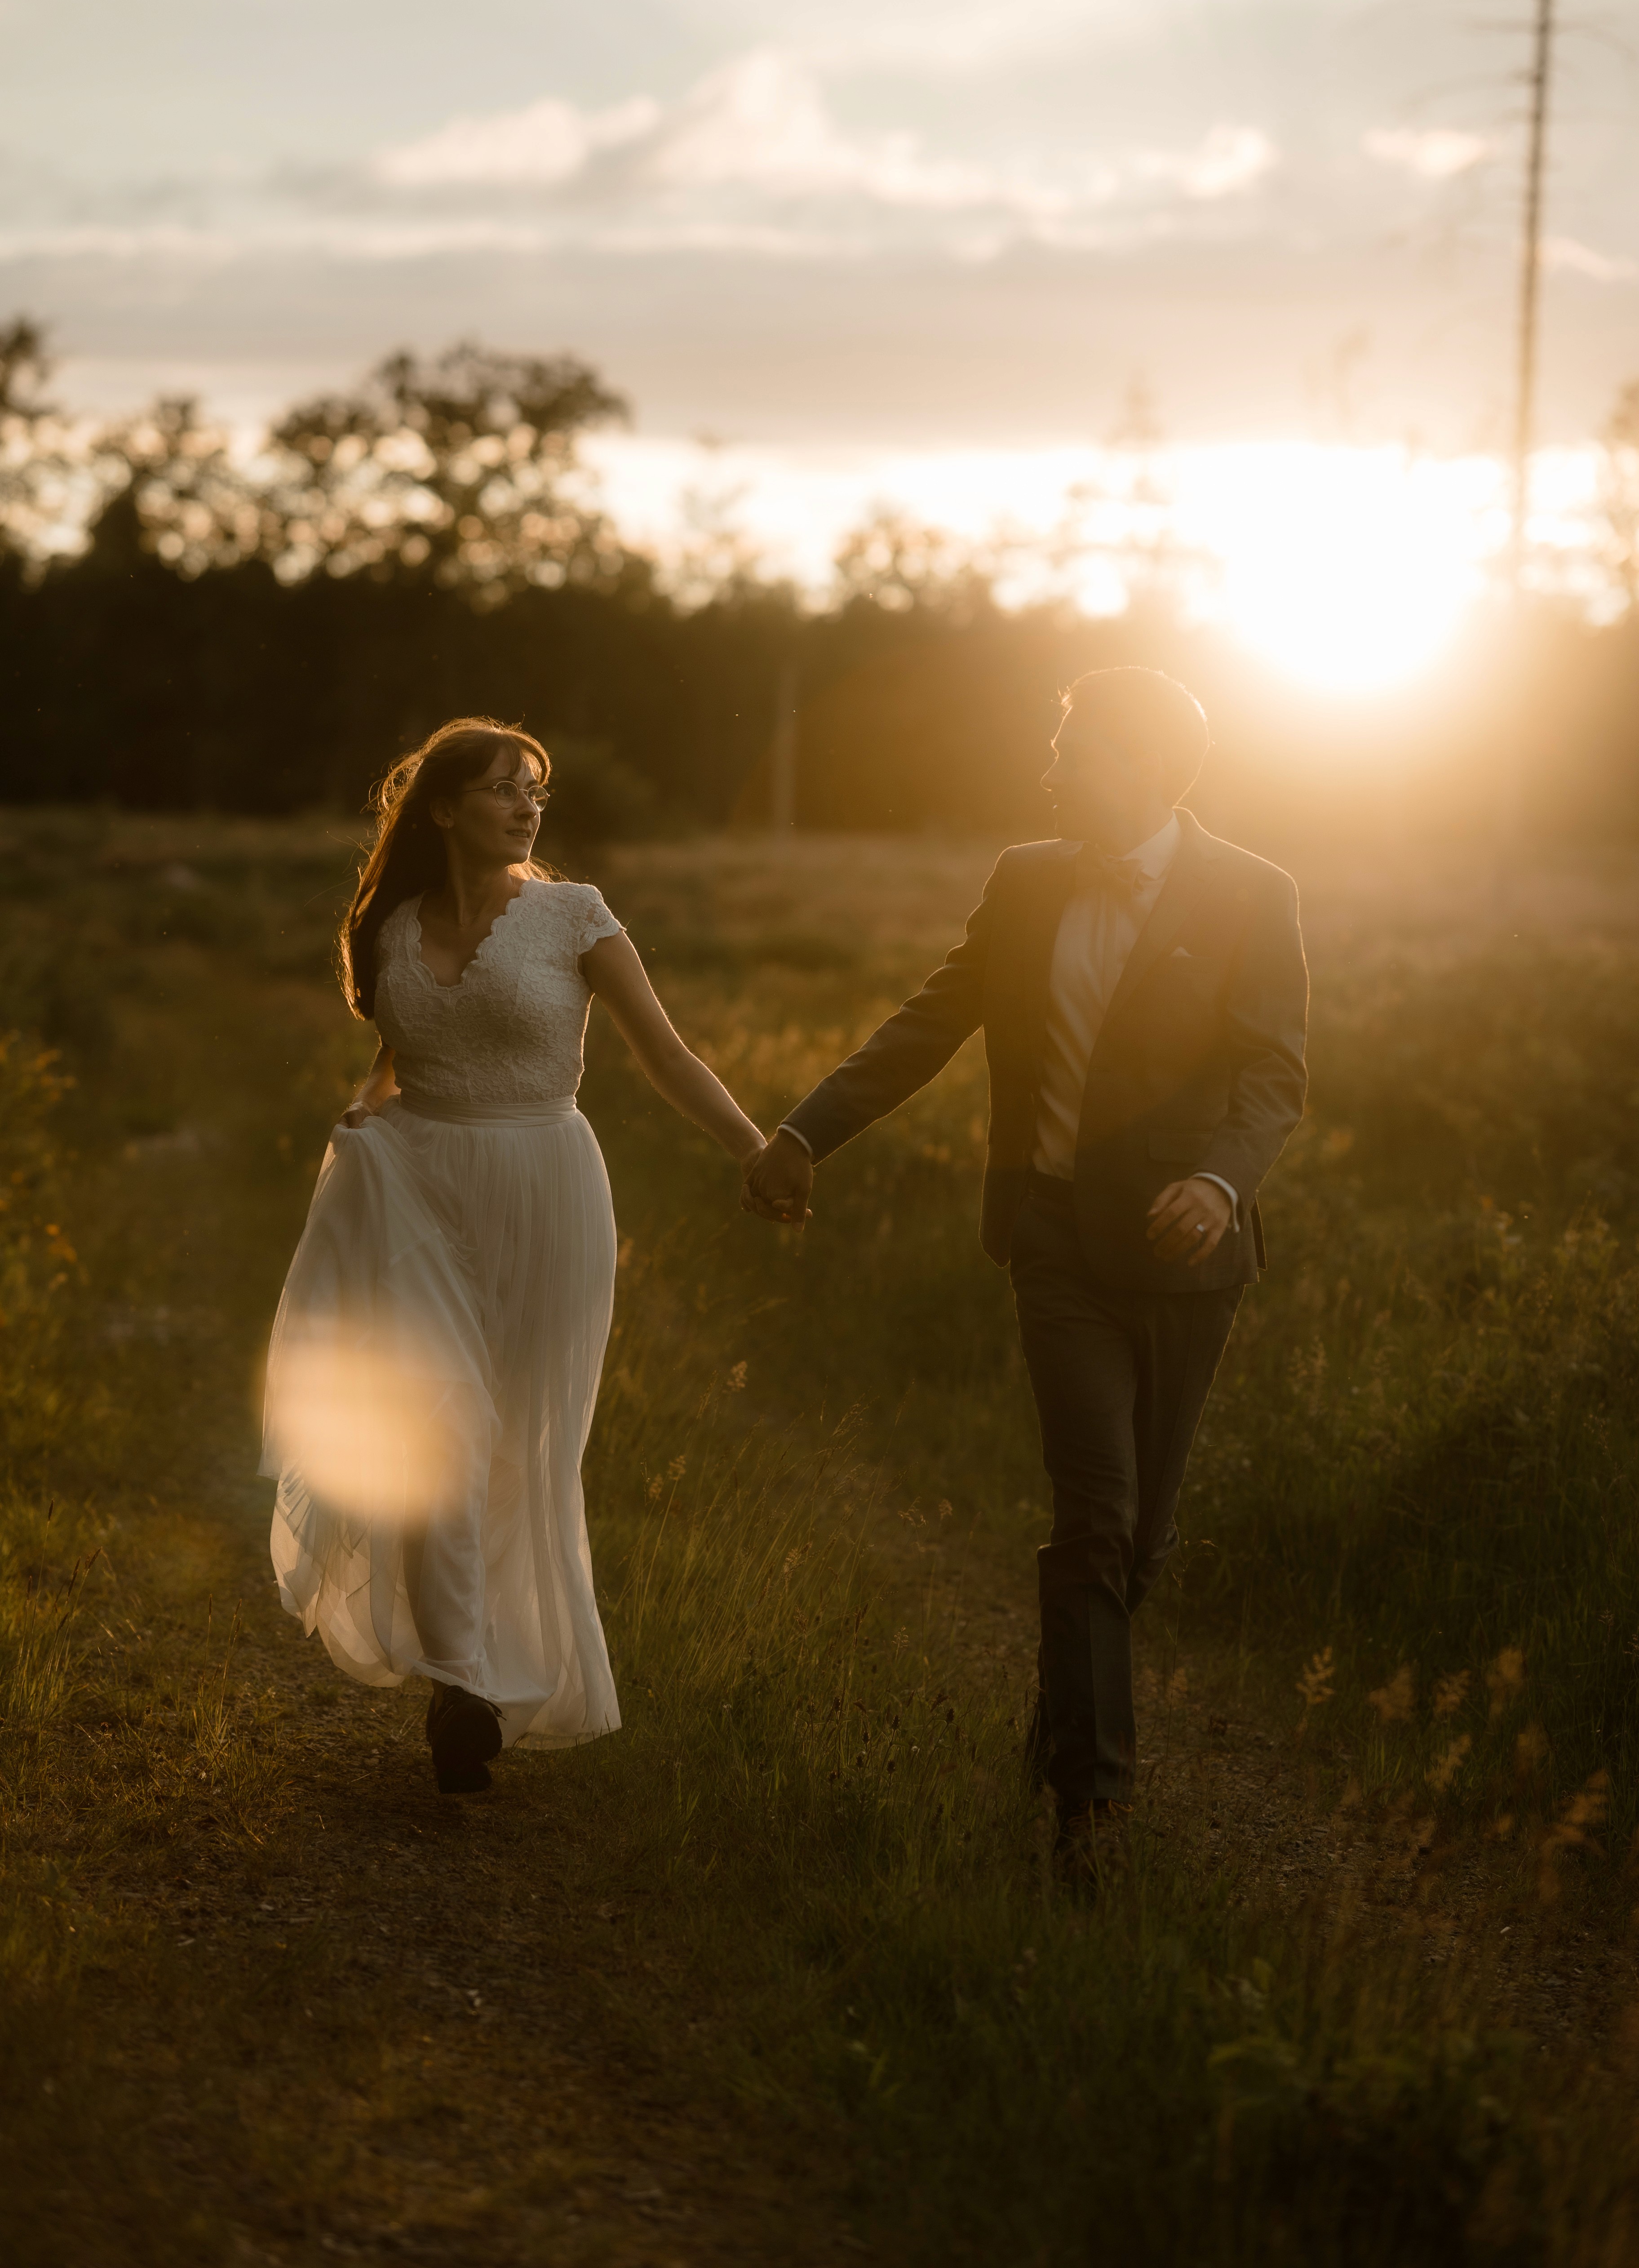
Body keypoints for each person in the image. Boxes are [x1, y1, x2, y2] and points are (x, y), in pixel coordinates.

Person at [741, 667, 1307, 1877]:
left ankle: (1058, 1733)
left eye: (1075, 749)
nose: (1052, 771)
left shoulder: (1258, 893)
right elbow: (931, 1021)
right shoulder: (1028, 877)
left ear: (1146, 763)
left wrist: (1217, 1185)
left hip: (1190, 1260)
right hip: (1053, 1244)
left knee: (1143, 1544)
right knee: (1095, 1515)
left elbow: (1274, 1076)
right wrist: (803, 1131)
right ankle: (1091, 1812)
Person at [262, 716, 767, 1794]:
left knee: (521, 1441)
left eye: (536, 789)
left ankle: (494, 1665)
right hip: (415, 1192)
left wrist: (757, 1149)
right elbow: (400, 1060)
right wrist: (361, 1116)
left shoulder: (575, 917)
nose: (529, 806)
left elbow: (666, 1053)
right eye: (503, 788)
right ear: (443, 808)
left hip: (546, 1187)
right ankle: (462, 1683)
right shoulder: (391, 924)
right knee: (439, 1425)